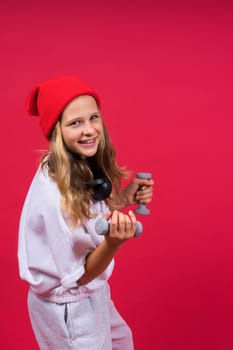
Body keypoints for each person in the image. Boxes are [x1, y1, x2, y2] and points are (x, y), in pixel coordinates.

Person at [18, 76, 153, 350]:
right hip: (69, 304)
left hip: (93, 294)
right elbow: (79, 276)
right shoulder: (54, 197)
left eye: (93, 117)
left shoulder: (71, 165)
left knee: (121, 342)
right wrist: (113, 243)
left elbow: (87, 216)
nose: (89, 129)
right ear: (56, 131)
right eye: (75, 123)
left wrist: (123, 199)